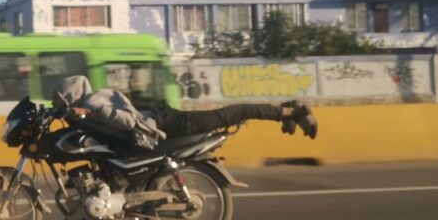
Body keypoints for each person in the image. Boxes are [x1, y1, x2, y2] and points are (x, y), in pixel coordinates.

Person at [54, 75, 316, 150]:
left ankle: (291, 111)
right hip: (160, 117)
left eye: (64, 102)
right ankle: (286, 113)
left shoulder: (93, 102)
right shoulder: (88, 106)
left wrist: (90, 112)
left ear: (74, 96)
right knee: (224, 115)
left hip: (167, 121)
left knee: (225, 116)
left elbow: (126, 120)